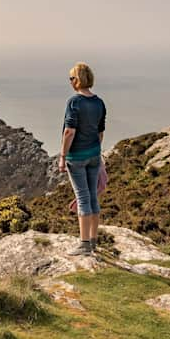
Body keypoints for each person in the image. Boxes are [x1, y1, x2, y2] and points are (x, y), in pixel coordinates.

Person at [59, 62, 106, 255]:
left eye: (71, 78)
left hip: (76, 157)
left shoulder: (75, 102)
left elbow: (69, 131)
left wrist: (62, 156)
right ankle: (93, 240)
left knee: (83, 198)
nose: (70, 82)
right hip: (94, 154)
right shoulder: (99, 102)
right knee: (93, 196)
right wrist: (98, 153)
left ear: (78, 80)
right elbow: (101, 131)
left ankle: (84, 244)